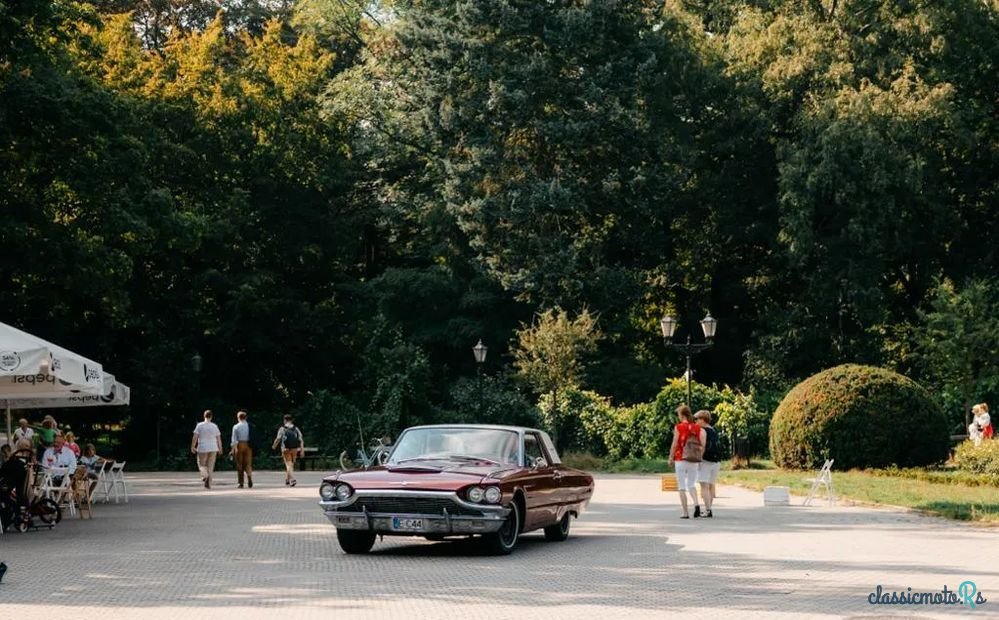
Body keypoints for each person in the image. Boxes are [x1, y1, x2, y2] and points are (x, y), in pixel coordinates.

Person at [668, 405, 706, 519]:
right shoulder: (697, 428)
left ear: (682, 415)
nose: (678, 417)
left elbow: (675, 444)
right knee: (691, 484)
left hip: (681, 458)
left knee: (681, 486)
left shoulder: (679, 427)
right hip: (693, 459)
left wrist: (670, 457)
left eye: (679, 415)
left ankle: (685, 513)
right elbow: (701, 445)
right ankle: (697, 504)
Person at [694, 410, 721, 518]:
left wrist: (699, 459)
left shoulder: (702, 430)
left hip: (706, 461)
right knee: (710, 486)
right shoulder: (714, 430)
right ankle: (708, 508)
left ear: (702, 419)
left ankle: (708, 510)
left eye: (696, 419)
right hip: (716, 461)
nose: (695, 421)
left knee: (704, 486)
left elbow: (702, 446)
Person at [191, 410, 222, 489]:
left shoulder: (199, 425)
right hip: (213, 447)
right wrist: (220, 448)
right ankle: (209, 482)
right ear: (211, 417)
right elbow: (218, 438)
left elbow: (195, 437)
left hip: (202, 448)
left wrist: (193, 446)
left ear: (204, 416)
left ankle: (205, 476)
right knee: (210, 466)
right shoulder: (214, 426)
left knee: (201, 464)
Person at [272, 415, 304, 487]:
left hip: (285, 448)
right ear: (291, 420)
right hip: (295, 448)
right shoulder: (296, 428)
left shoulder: (282, 429)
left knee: (288, 464)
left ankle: (292, 479)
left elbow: (278, 438)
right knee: (291, 464)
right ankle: (287, 479)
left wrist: (274, 446)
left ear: (284, 420)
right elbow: (301, 439)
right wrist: (302, 450)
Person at [230, 410, 253, 489]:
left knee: (239, 464)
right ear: (246, 417)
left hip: (239, 445)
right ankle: (249, 477)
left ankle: (241, 483)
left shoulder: (236, 426)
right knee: (248, 463)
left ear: (238, 417)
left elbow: (234, 440)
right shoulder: (250, 426)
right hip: (248, 445)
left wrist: (232, 449)